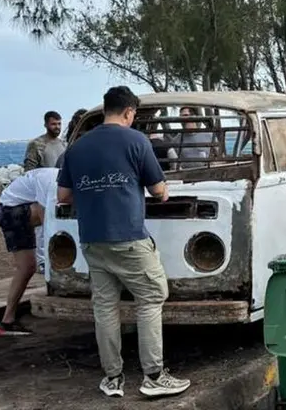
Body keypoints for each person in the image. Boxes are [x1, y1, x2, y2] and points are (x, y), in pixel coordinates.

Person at [57, 86, 190, 398]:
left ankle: (113, 378)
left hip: (92, 239)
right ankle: (154, 375)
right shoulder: (136, 141)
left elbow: (63, 196)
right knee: (152, 296)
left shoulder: (77, 147)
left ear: (106, 110)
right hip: (128, 237)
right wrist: (162, 191)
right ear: (129, 112)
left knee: (104, 306)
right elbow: (158, 190)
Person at [0, 168, 59, 337]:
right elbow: (48, 223)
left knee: (27, 268)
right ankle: (7, 320)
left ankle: (7, 321)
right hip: (10, 210)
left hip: (11, 208)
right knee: (53, 217)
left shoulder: (55, 177)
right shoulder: (52, 182)